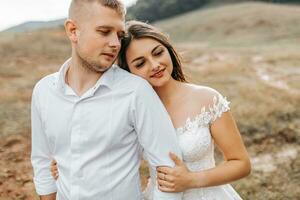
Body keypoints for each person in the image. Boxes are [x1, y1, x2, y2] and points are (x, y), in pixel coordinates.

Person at [51, 20, 251, 199]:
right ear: (128, 73)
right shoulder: (128, 112)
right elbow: (103, 156)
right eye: (140, 63)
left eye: (158, 53)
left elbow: (241, 163)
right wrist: (66, 165)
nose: (155, 65)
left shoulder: (207, 98)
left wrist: (191, 180)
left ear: (168, 49)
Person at [30, 1, 183, 200]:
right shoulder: (44, 91)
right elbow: (42, 161)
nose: (115, 44)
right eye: (104, 32)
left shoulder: (136, 91)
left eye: (120, 35)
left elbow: (167, 167)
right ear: (73, 30)